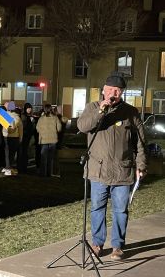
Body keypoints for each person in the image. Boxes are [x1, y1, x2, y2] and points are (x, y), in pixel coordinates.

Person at [77, 72, 147, 260]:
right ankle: (97, 243)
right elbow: (83, 127)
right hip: (98, 171)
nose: (113, 93)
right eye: (110, 90)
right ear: (103, 91)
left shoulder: (131, 112)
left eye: (118, 90)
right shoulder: (92, 108)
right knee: (97, 208)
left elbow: (140, 142)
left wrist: (141, 164)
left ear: (122, 92)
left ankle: (117, 246)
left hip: (122, 171)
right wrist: (101, 110)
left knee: (120, 210)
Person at [36, 104, 62, 177]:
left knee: (43, 158)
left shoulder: (41, 119)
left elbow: (37, 128)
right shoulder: (55, 118)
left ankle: (43, 173)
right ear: (51, 109)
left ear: (44, 109)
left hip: (43, 140)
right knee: (51, 158)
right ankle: (49, 173)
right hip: (53, 140)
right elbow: (59, 128)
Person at [1, 101, 23, 176]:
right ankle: (9, 167)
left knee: (6, 153)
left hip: (6, 137)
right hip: (15, 137)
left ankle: (7, 168)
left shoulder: (4, 115)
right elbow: (20, 129)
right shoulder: (17, 117)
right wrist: (20, 138)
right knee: (12, 154)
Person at [18, 102, 35, 174]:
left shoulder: (30, 117)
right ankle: (21, 167)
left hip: (28, 137)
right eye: (28, 108)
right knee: (22, 152)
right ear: (25, 108)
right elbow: (23, 127)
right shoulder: (23, 116)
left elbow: (32, 128)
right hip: (23, 137)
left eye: (30, 108)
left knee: (25, 152)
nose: (29, 110)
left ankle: (24, 167)